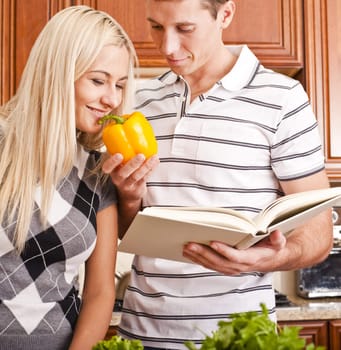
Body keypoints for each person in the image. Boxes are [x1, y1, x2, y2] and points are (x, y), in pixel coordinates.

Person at [102, 0, 333, 349]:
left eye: (184, 29)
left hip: (237, 337)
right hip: (142, 333)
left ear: (225, 14)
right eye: (156, 27)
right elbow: (129, 230)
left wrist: (275, 257)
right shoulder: (138, 101)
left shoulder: (282, 98)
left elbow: (319, 231)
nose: (167, 47)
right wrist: (129, 197)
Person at [0, 5, 137, 350]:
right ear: (58, 73)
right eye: (98, 80)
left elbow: (99, 292)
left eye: (119, 85)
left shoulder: (98, 173)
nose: (112, 99)